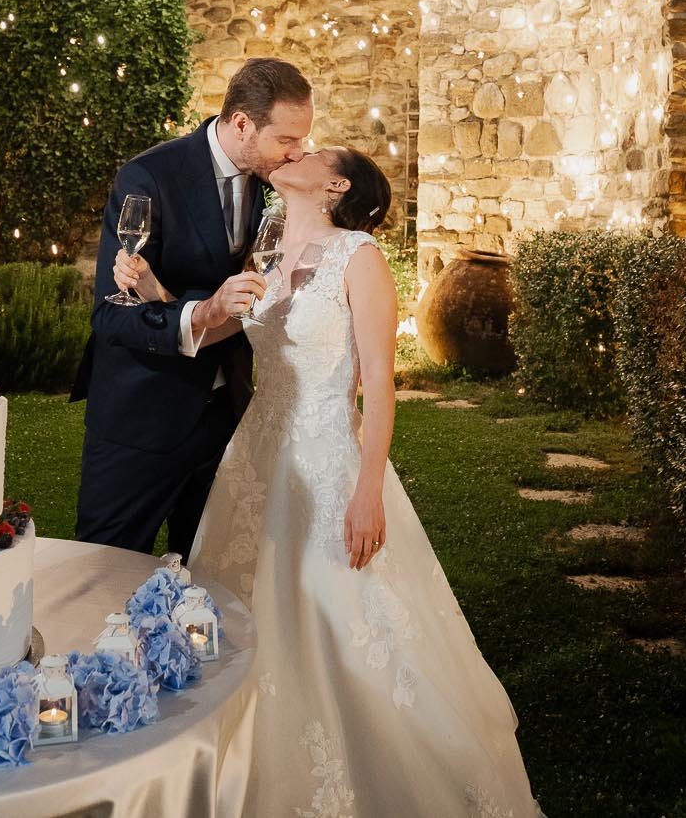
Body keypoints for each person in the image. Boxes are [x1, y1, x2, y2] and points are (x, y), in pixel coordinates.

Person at [115, 146, 542, 817]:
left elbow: (380, 385)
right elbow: (221, 327)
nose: (297, 152)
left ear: (336, 185)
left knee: (340, 617)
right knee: (242, 614)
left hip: (328, 460)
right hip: (256, 461)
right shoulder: (265, 249)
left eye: (315, 152)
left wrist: (367, 491)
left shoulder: (359, 257)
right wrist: (151, 290)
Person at [71, 57, 313, 559]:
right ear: (243, 124)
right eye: (287, 139)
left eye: (303, 139)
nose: (298, 152)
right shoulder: (148, 177)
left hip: (227, 418)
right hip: (140, 422)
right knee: (106, 572)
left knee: (212, 577)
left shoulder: (275, 182)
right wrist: (201, 312)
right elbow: (111, 315)